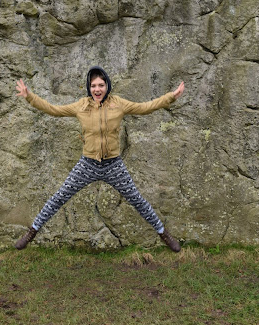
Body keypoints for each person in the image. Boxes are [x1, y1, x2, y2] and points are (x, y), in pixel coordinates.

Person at [14, 66, 185, 252]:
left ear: (107, 86)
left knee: (137, 200)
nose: (97, 89)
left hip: (113, 165)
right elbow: (54, 110)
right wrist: (29, 96)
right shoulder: (81, 106)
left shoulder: (118, 103)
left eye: (101, 85)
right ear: (89, 87)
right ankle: (32, 232)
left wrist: (171, 97)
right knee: (59, 197)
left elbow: (145, 108)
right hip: (87, 164)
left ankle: (163, 234)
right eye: (93, 85)